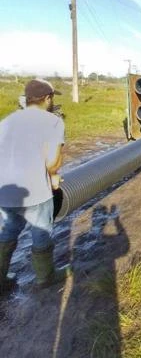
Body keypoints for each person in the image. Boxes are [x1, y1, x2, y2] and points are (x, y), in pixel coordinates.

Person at [0, 78, 71, 295]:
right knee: (41, 231)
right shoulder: (53, 122)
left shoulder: (7, 121)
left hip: (6, 191)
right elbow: (51, 163)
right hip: (35, 192)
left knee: (8, 231)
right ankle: (45, 277)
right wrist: (55, 175)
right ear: (48, 98)